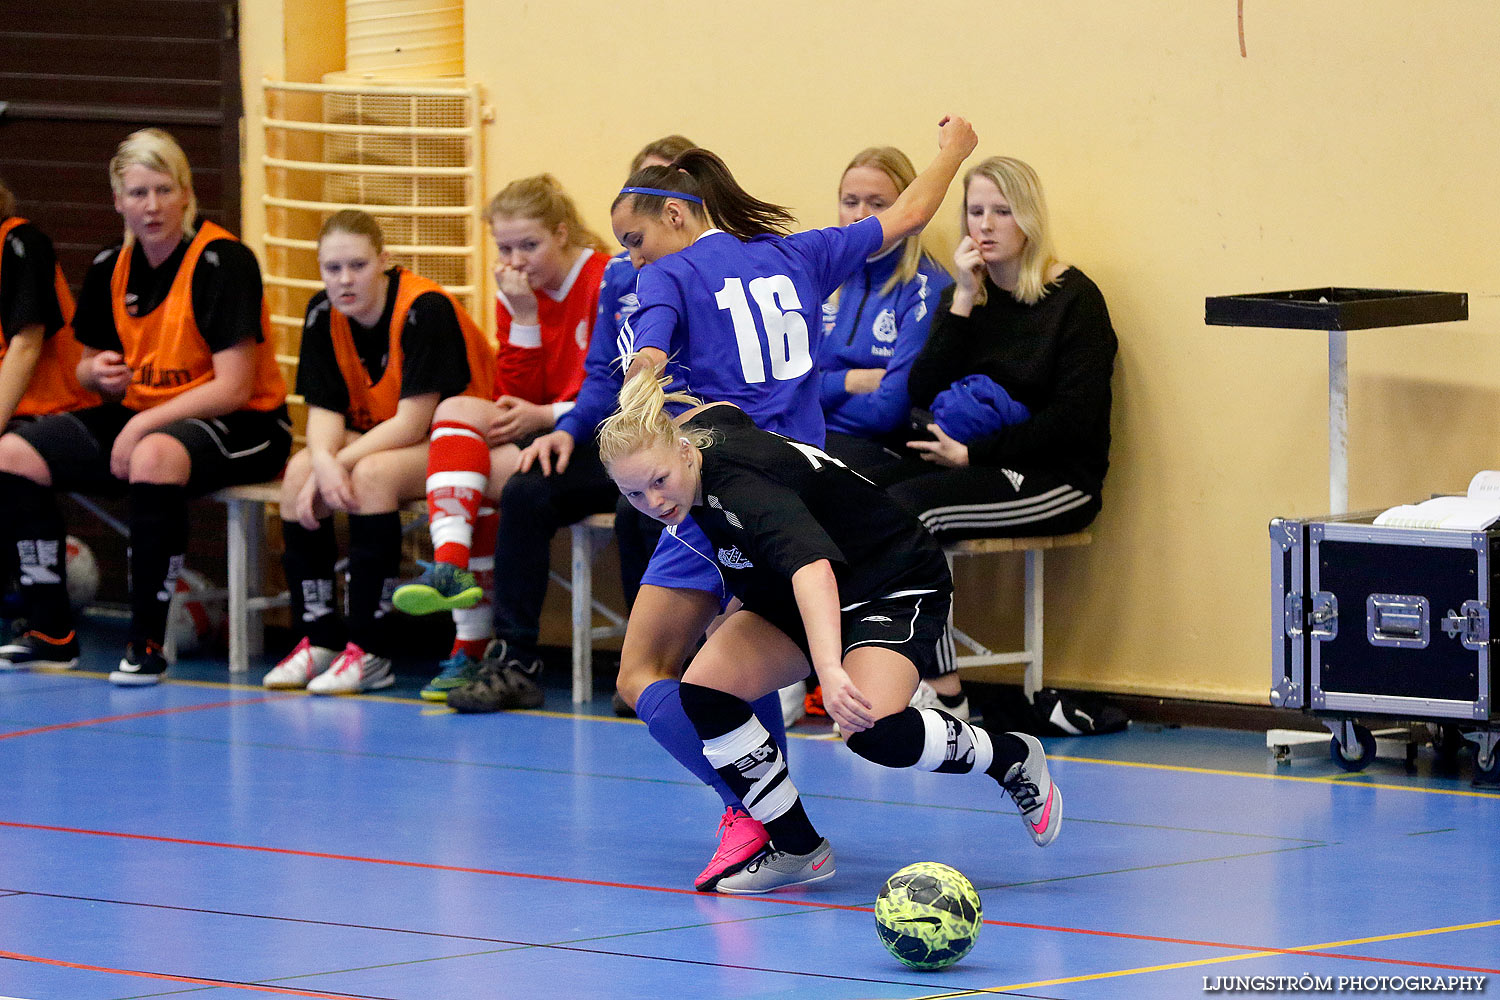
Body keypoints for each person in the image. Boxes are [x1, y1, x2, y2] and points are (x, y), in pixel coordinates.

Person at [602, 114, 978, 892]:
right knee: (731, 655)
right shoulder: (794, 253)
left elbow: (646, 355)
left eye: (633, 240)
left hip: (722, 485)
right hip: (806, 488)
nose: (629, 258)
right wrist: (954, 149)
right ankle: (770, 815)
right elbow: (909, 215)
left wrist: (635, 406)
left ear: (676, 216)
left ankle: (759, 815)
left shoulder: (667, 277)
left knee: (643, 673)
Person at [598, 374, 1062, 893]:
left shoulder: (743, 491)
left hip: (888, 578)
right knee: (706, 691)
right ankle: (798, 847)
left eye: (659, 481)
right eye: (633, 493)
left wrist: (831, 672)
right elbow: (727, 409)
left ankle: (1012, 756)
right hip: (799, 590)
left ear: (685, 453)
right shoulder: (701, 434)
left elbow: (812, 569)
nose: (654, 501)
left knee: (870, 730)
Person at [397, 137, 698, 709]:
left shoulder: (708, 268)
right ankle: (515, 658)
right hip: (614, 435)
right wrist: (564, 430)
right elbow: (598, 379)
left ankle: (651, 669)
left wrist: (558, 416)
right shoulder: (619, 276)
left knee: (644, 511)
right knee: (529, 490)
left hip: (687, 438)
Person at [0, 128, 290, 682]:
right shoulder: (112, 265)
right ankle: (50, 633)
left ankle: (147, 644)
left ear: (185, 193)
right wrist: (96, 372)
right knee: (14, 451)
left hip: (244, 424)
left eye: (162, 190)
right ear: (118, 201)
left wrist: (142, 426)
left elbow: (232, 387)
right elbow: (87, 364)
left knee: (152, 453)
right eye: (137, 193)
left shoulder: (224, 261)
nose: (151, 206)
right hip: (148, 420)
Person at [882, 156, 1117, 707]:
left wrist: (974, 453)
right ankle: (895, 673)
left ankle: (942, 692)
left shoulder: (1074, 300)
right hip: (974, 463)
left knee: (915, 513)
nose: (984, 225)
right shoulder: (965, 296)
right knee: (872, 501)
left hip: (1058, 478)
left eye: (1002, 212)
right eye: (975, 211)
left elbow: (1074, 421)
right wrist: (963, 297)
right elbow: (922, 391)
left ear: (1029, 219)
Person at [389, 175, 610, 703]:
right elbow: (515, 395)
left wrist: (547, 413)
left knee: (473, 473)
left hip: (600, 435)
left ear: (562, 233)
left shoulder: (605, 277)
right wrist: (525, 316)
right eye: (505, 248)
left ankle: (473, 642)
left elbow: (615, 384)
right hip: (544, 431)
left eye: (529, 245)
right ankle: (452, 569)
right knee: (459, 416)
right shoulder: (517, 290)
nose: (517, 260)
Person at [259, 210, 494, 694]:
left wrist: (338, 463)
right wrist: (322, 462)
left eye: (358, 266)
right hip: (387, 439)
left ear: (384, 261)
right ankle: (320, 638)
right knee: (300, 470)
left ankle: (371, 649)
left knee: (370, 476)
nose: (344, 280)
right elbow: (325, 412)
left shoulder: (424, 309)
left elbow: (412, 422)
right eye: (332, 268)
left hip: (460, 438)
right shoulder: (323, 313)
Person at [784, 146, 957, 725]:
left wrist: (827, 388)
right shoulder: (823, 279)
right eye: (850, 201)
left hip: (886, 450)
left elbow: (889, 407)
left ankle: (823, 668)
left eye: (877, 203)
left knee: (805, 499)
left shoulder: (926, 287)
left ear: (908, 207)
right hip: (818, 436)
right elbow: (793, 381)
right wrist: (848, 380)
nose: (861, 214)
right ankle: (785, 664)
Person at [0, 177, 100, 651]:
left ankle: (50, 626)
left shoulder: (21, 242)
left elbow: (25, 345)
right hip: (12, 416)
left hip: (58, 409)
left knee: (10, 455)